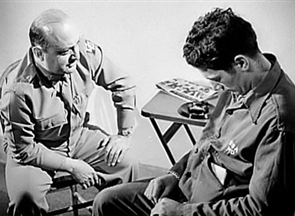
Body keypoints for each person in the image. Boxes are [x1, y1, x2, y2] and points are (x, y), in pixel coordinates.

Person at [92, 7, 295, 216]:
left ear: (241, 62)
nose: (216, 88)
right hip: (190, 186)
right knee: (106, 202)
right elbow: (207, 143)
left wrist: (183, 212)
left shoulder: (279, 121)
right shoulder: (239, 85)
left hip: (212, 208)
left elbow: (263, 209)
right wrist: (175, 174)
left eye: (216, 79)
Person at [0, 8, 139, 216]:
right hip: (37, 151)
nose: (75, 56)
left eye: (75, 46)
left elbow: (124, 84)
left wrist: (124, 135)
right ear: (39, 53)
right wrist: (73, 167)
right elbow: (24, 150)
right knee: (25, 198)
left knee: (128, 163)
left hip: (77, 137)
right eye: (64, 52)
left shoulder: (82, 54)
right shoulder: (17, 91)